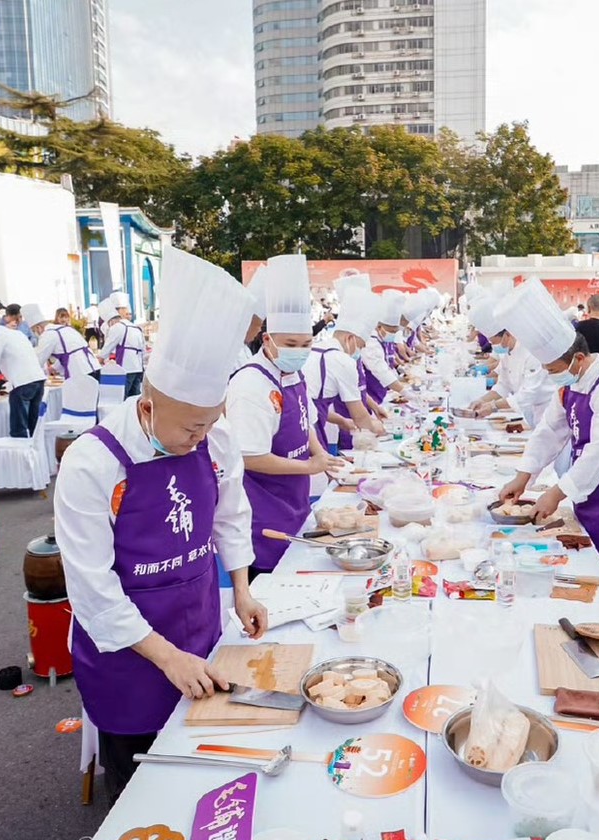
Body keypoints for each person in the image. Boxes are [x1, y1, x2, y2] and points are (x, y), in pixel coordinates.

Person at [54, 248, 267, 803]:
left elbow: (231, 516)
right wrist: (167, 657)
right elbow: (91, 589)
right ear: (147, 408)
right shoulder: (92, 463)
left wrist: (242, 590)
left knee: (204, 772)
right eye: (191, 426)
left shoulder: (215, 442)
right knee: (146, 793)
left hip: (199, 623)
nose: (201, 436)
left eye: (209, 422)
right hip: (128, 653)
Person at [497, 281, 599, 635]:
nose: (552, 375)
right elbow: (549, 431)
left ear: (578, 358)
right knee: (588, 581)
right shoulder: (571, 386)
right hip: (585, 494)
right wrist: (524, 475)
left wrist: (556, 492)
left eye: (553, 368)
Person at [227, 254, 346, 578]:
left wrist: (322, 454)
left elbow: (305, 421)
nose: (300, 351)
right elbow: (249, 456)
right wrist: (309, 466)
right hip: (262, 512)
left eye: (306, 344)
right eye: (291, 343)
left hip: (295, 503)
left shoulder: (295, 373)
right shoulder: (250, 383)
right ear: (268, 340)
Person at [306, 275, 384, 453]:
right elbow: (360, 417)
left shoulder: (318, 348)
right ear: (350, 338)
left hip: (315, 424)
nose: (359, 351)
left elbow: (311, 404)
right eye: (361, 345)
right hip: (311, 433)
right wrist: (382, 429)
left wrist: (341, 421)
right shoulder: (341, 360)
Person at [0, 304, 48, 439]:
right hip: (38, 380)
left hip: (23, 384)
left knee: (18, 429)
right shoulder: (15, 333)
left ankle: (20, 458)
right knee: (34, 427)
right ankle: (37, 457)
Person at [97, 293, 145, 402]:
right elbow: (144, 350)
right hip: (138, 368)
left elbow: (107, 347)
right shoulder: (136, 328)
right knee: (135, 400)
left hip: (125, 368)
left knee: (122, 399)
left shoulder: (118, 327)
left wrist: (99, 359)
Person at [36, 309, 100, 382]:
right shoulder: (68, 329)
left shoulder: (49, 334)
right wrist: (53, 367)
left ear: (38, 328)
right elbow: (70, 353)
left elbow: (39, 360)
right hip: (94, 367)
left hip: (80, 371)